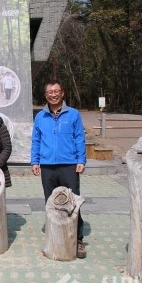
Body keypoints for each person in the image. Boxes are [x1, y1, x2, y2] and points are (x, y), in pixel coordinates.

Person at [30, 80, 87, 258]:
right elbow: (36, 140)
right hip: (47, 165)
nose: (53, 95)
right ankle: (54, 237)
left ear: (62, 93)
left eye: (56, 91)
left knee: (73, 201)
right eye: (50, 92)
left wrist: (81, 159)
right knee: (50, 201)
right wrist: (35, 161)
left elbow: (79, 137)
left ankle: (77, 239)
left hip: (69, 164)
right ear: (45, 95)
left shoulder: (73, 114)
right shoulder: (40, 117)